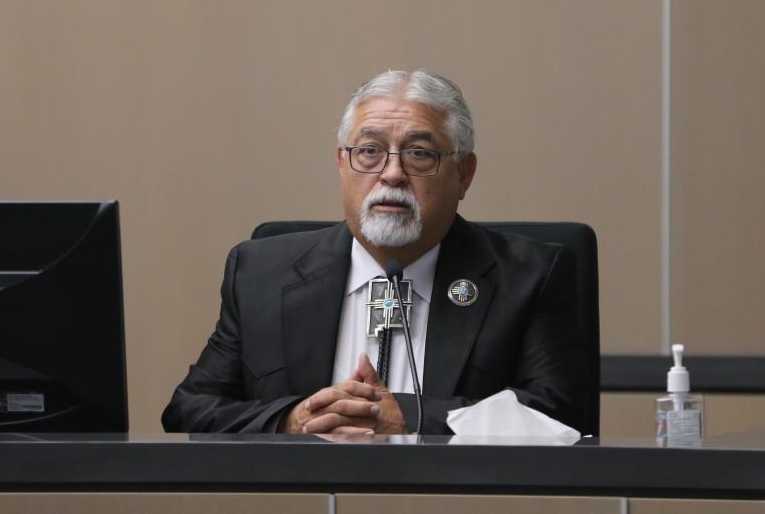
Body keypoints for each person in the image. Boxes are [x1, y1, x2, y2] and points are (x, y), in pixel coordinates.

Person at [162, 69, 593, 435]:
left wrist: (410, 417)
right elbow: (189, 410)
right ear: (341, 163)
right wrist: (290, 421)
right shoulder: (260, 274)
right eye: (368, 151)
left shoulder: (530, 277)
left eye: (419, 154)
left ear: (464, 174)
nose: (391, 174)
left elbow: (561, 416)